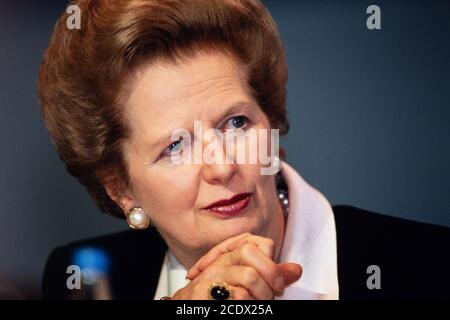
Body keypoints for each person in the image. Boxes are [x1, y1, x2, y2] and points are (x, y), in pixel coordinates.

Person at [39, 0, 450, 300]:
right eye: (175, 146)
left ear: (270, 122)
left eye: (236, 123)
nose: (221, 167)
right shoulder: (83, 276)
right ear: (120, 186)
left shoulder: (428, 264)